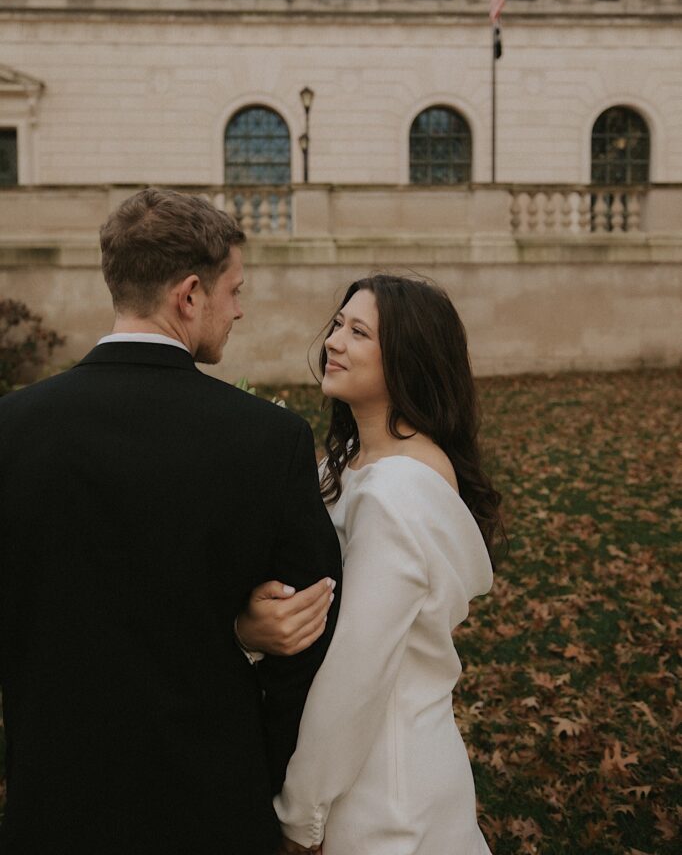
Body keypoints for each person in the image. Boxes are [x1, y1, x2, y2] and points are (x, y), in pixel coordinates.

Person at [0, 188, 342, 855]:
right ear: (190, 296)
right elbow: (310, 635)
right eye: (234, 289)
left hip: (51, 802)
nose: (239, 309)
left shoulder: (9, 430)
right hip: (211, 806)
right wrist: (269, 768)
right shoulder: (267, 440)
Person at [274, 274, 503, 855]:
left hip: (382, 792)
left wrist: (301, 816)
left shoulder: (396, 491)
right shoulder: (345, 465)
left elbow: (357, 673)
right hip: (364, 766)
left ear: (407, 357)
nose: (334, 341)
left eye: (358, 332)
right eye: (337, 325)